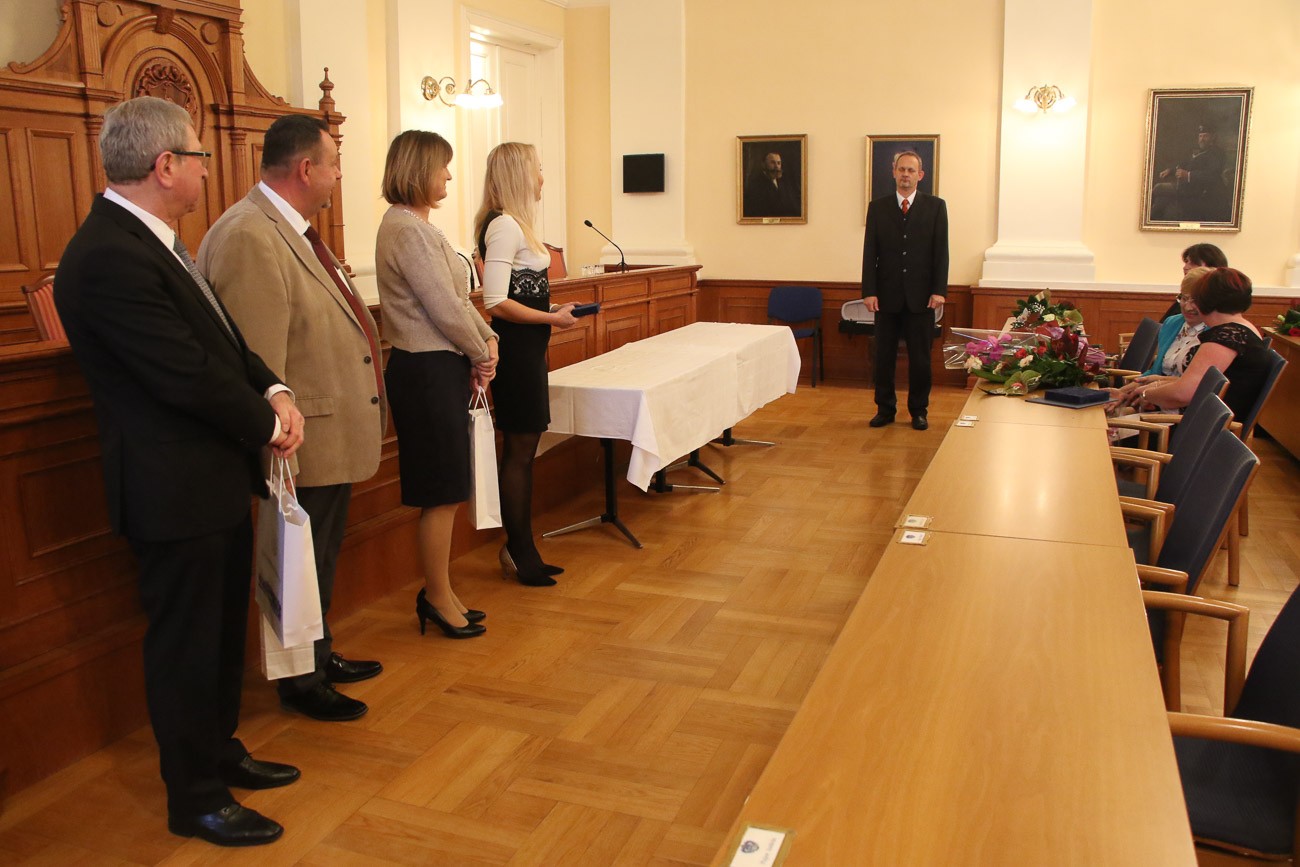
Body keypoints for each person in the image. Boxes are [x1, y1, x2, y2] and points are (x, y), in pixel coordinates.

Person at [54, 96, 304, 846]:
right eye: (198, 156)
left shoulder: (156, 241)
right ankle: (194, 796)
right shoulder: (107, 254)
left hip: (210, 479)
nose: (204, 168)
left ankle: (219, 750)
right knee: (186, 645)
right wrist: (267, 424)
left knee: (220, 635)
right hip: (171, 489)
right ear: (166, 166)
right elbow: (182, 373)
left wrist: (273, 388)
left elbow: (222, 344)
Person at [198, 114, 385, 723]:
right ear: (306, 168)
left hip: (326, 431)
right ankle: (300, 682)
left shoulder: (290, 229)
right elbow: (259, 364)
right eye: (334, 164)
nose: (338, 175)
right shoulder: (250, 235)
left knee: (319, 558)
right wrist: (279, 457)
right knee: (298, 561)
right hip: (299, 440)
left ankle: (317, 654)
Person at [375, 130, 496, 639]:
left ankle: (442, 592)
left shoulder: (418, 226)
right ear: (418, 169)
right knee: (441, 490)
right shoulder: (406, 229)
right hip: (424, 371)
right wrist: (481, 352)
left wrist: (487, 338)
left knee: (447, 487)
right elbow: (444, 308)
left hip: (438, 366)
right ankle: (436, 597)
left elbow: (458, 300)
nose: (448, 174)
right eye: (442, 166)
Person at [474, 142, 577, 586]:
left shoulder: (515, 226)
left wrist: (552, 310)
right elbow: (495, 302)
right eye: (537, 169)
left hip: (529, 349)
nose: (542, 178)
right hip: (515, 353)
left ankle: (522, 547)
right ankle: (519, 550)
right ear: (518, 175)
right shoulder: (503, 226)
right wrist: (552, 318)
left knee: (525, 451)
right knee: (518, 453)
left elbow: (523, 295)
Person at [861, 150, 949, 431]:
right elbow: (870, 252)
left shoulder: (936, 207)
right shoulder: (878, 207)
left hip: (922, 298)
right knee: (883, 358)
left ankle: (918, 411)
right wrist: (869, 291)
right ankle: (885, 409)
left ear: (920, 175)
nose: (906, 175)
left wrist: (939, 290)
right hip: (886, 297)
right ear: (894, 172)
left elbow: (941, 252)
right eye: (901, 169)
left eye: (911, 170)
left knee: (921, 360)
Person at [1116, 268, 1271, 420]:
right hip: (1204, 422)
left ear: (1204, 302)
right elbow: (1204, 384)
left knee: (1111, 428)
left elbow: (1183, 394)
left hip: (1201, 428)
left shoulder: (1225, 337)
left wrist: (1146, 394)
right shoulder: (1240, 329)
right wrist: (1156, 383)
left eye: (1195, 299)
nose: (1189, 306)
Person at [1151, 123, 1231, 223]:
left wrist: (1188, 175)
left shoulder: (1217, 153)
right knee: (1161, 199)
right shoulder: (1199, 151)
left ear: (1213, 137)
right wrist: (1171, 170)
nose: (1202, 139)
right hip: (1188, 187)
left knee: (1159, 188)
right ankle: (1151, 220)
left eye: (1205, 136)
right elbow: (1185, 164)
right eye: (1200, 136)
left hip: (1203, 191)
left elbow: (1212, 175)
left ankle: (1148, 219)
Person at [1146, 267, 1210, 377]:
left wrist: (1155, 383)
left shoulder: (1215, 331)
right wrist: (1135, 383)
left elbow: (1199, 381)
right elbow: (1155, 371)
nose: (1188, 307)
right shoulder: (1171, 323)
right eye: (1184, 299)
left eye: (1195, 301)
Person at [1160, 243, 1227, 321]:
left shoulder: (1221, 305)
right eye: (1186, 262)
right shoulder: (1182, 299)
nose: (1185, 267)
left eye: (1193, 263)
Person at [743, 151, 800, 218]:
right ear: (763, 164)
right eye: (772, 163)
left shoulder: (785, 182)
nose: (777, 166)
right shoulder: (755, 185)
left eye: (779, 163)